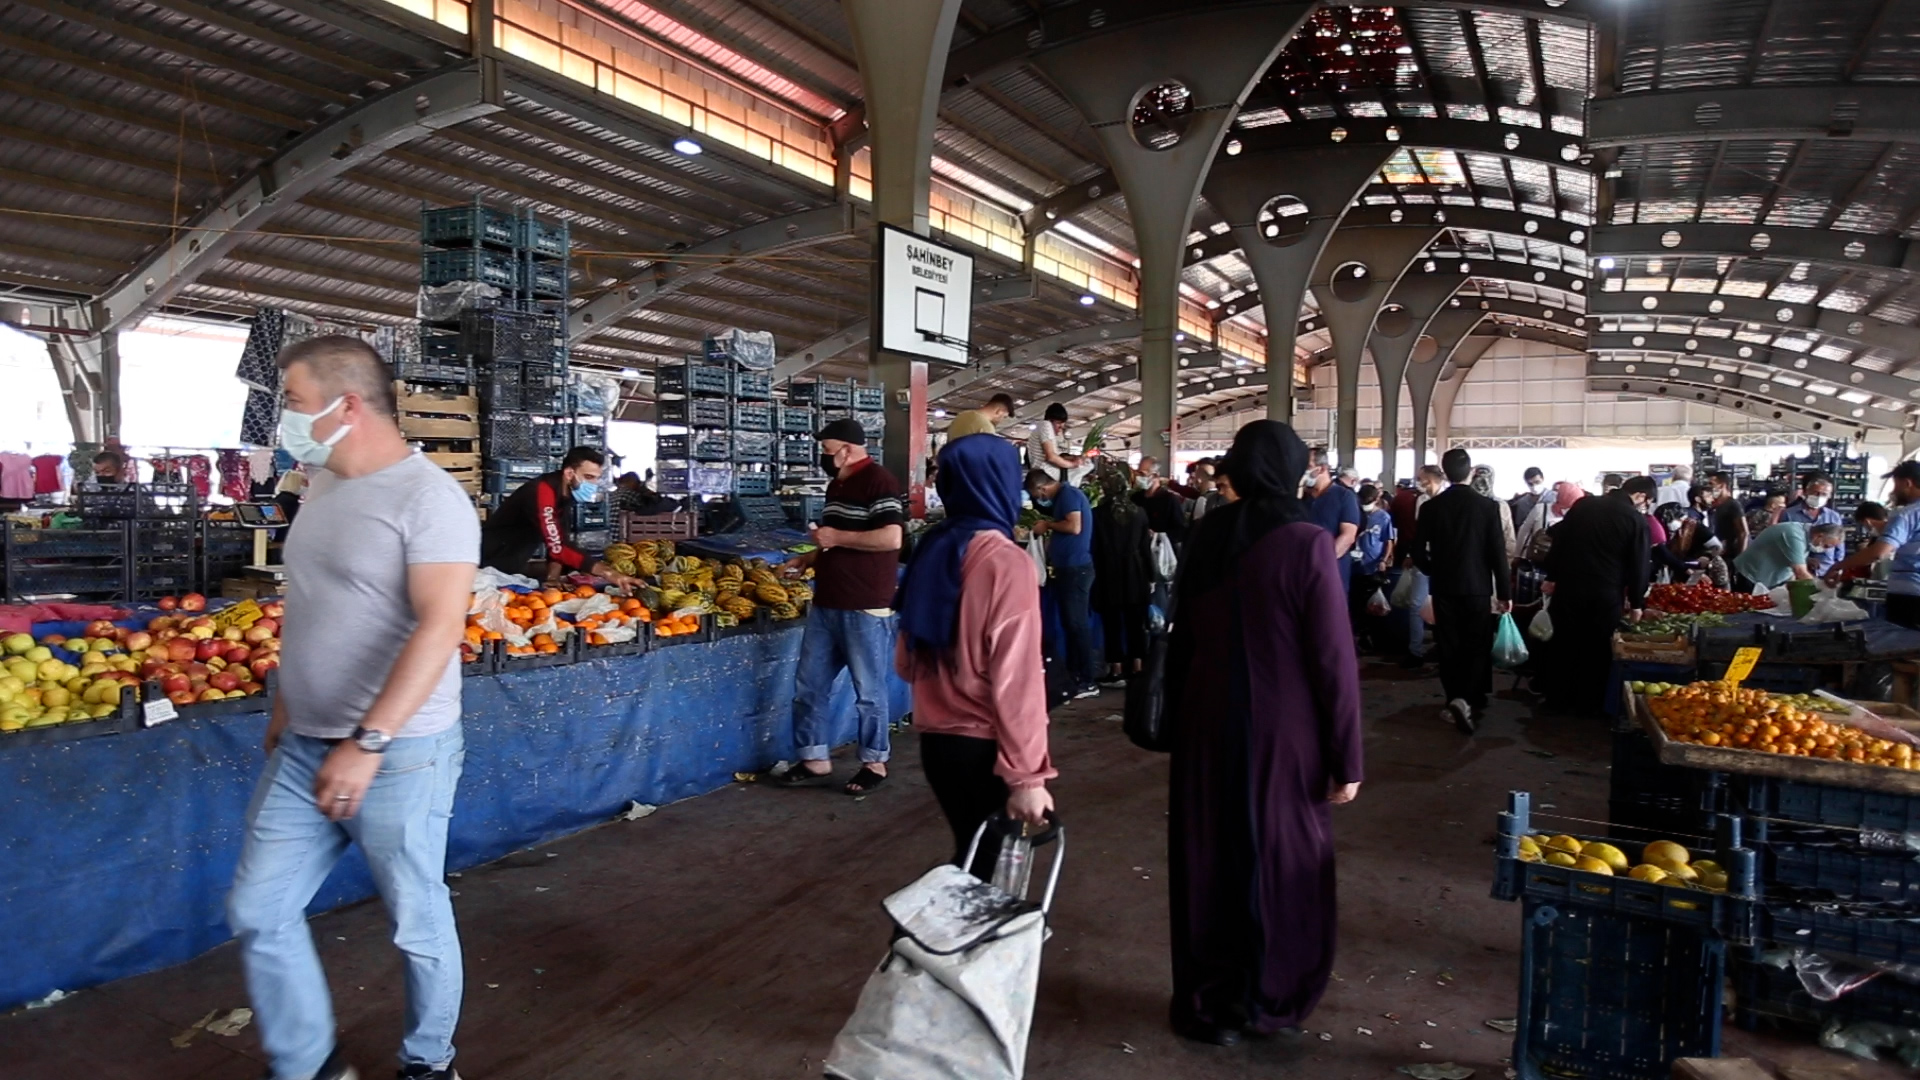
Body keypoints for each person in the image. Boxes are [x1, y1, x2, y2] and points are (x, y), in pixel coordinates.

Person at [226, 336, 478, 1080]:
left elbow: (440, 627)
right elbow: (312, 606)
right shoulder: (323, 482)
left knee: (415, 921)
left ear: (348, 405)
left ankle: (429, 1061)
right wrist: (285, 700)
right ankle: (310, 1062)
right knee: (258, 909)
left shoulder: (430, 499)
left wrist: (368, 741)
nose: (287, 419)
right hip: (307, 740)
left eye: (295, 403)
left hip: (400, 752)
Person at [1164, 420, 1363, 1045]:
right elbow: (1332, 659)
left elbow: (1183, 637)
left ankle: (1208, 1003)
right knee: (1280, 858)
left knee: (1208, 856)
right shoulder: (1305, 541)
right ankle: (1266, 999)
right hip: (1285, 730)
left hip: (1204, 723)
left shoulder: (1206, 534)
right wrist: (1346, 755)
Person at [895, 434, 1055, 875]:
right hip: (984, 749)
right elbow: (1017, 680)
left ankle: (920, 943)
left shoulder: (933, 548)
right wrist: (1027, 778)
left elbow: (905, 663)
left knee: (973, 859)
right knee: (984, 880)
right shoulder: (1006, 562)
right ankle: (914, 944)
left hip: (938, 746)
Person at [775, 419, 906, 794]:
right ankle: (814, 756)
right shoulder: (838, 484)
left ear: (847, 449)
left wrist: (837, 536)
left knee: (869, 690)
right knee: (810, 685)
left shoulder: (880, 481)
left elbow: (890, 537)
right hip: (828, 600)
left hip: (864, 604)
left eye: (828, 450)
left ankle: (874, 761)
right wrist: (810, 558)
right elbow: (834, 540)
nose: (824, 457)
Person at [1412, 449, 1512, 734]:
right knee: (1476, 643)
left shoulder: (1431, 508)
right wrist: (1504, 592)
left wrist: (1434, 570)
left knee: (1449, 643)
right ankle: (1472, 697)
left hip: (1444, 587)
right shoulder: (1487, 507)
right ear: (1470, 472)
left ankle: (1454, 697)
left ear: (1444, 473)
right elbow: (1497, 555)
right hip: (1478, 588)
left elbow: (1418, 552)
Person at [1541, 475, 1654, 715]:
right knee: (1596, 647)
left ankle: (1557, 699)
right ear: (1641, 496)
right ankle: (1589, 704)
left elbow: (1558, 541)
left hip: (1569, 588)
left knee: (1564, 642)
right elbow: (1639, 566)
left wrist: (1552, 576)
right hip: (1605, 594)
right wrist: (1637, 603)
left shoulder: (1584, 505)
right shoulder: (1635, 519)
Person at [480, 447, 639, 586]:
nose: (594, 484)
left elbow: (558, 539)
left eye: (596, 478)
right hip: (491, 559)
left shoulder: (565, 496)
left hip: (511, 559)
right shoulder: (542, 491)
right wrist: (607, 573)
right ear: (570, 473)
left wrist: (553, 579)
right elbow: (558, 547)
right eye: (589, 477)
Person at [1026, 468, 1100, 700]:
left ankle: (1088, 679)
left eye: (1037, 494)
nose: (1039, 499)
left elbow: (1074, 526)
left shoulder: (1068, 496)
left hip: (1076, 569)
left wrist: (1047, 526)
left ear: (1042, 488)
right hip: (1069, 568)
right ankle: (1077, 674)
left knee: (1077, 625)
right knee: (1071, 624)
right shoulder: (1064, 498)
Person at [1827, 464, 1920, 624]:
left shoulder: (1907, 515)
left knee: (1903, 644)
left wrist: (1837, 566)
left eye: (1895, 484)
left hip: (1910, 595)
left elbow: (1879, 552)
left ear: (1907, 483)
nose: (1893, 490)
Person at [1090, 460, 1152, 687]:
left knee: (1112, 621)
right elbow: (1145, 547)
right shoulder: (1140, 513)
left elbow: (1094, 547)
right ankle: (1137, 666)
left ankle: (1116, 669)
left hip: (1108, 572)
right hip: (1136, 572)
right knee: (1136, 621)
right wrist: (1151, 575)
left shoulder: (1097, 514)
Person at [1304, 447, 1362, 593]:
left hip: (1332, 570)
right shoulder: (1303, 498)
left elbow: (1348, 536)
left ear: (1322, 468)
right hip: (1302, 571)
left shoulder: (1344, 496)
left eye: (1308, 467)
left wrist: (1322, 562)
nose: (1303, 472)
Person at [1735, 521, 1845, 590]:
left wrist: (1806, 559)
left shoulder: (1805, 534)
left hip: (1770, 579)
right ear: (1819, 536)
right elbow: (1800, 572)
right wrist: (1823, 588)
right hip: (1751, 577)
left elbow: (1788, 552)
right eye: (1826, 546)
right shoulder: (1793, 535)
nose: (1824, 550)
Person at [1351, 484, 1396, 652]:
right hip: (1354, 565)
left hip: (1372, 566)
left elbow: (1388, 540)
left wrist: (1384, 559)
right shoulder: (1355, 514)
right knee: (1355, 602)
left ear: (1377, 499)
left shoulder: (1383, 517)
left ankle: (1371, 636)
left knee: (1372, 605)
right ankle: (1358, 635)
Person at [1778, 473, 1845, 577]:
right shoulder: (1789, 514)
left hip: (1826, 571)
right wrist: (1806, 560)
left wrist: (1836, 569)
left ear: (1830, 496)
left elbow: (1839, 548)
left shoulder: (1834, 516)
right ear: (1805, 492)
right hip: (1796, 571)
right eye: (1816, 493)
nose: (1819, 497)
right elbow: (1782, 544)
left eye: (1824, 494)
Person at [1517, 481, 1581, 561]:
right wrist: (1518, 555)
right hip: (1536, 559)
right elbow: (1524, 532)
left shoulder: (1575, 517)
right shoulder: (1540, 509)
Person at [1468, 464, 1518, 561]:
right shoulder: (1501, 505)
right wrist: (1507, 564)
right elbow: (1509, 540)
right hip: (1493, 563)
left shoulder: (1462, 504)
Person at [1027, 402, 1083, 481]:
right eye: (1058, 423)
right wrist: (1073, 464)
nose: (1061, 427)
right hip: (1045, 476)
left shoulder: (1042, 428)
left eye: (1062, 424)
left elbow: (1055, 455)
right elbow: (1051, 457)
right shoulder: (1045, 425)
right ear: (1050, 420)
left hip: (1043, 475)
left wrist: (1073, 458)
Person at [1707, 471, 1751, 566]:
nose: (1709, 487)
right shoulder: (1712, 506)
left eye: (1711, 484)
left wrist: (1740, 558)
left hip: (1729, 554)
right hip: (1716, 552)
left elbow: (1743, 532)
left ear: (1722, 485)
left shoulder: (1733, 505)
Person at [947, 393, 1016, 438]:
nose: (1001, 420)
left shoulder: (962, 415)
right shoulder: (986, 427)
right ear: (998, 411)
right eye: (1004, 417)